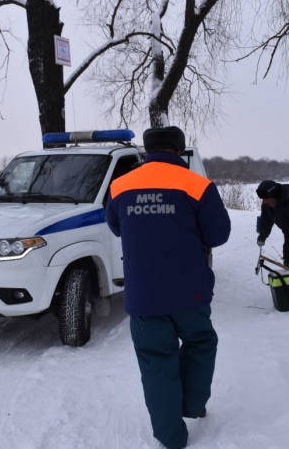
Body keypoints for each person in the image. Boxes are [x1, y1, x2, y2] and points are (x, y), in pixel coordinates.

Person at [105, 126, 231, 449]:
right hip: (190, 292)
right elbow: (219, 234)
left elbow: (115, 225)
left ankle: (171, 438)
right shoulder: (197, 185)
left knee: (156, 363)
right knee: (201, 343)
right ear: (179, 150)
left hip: (144, 296)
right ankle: (192, 403)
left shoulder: (120, 186)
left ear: (147, 151)